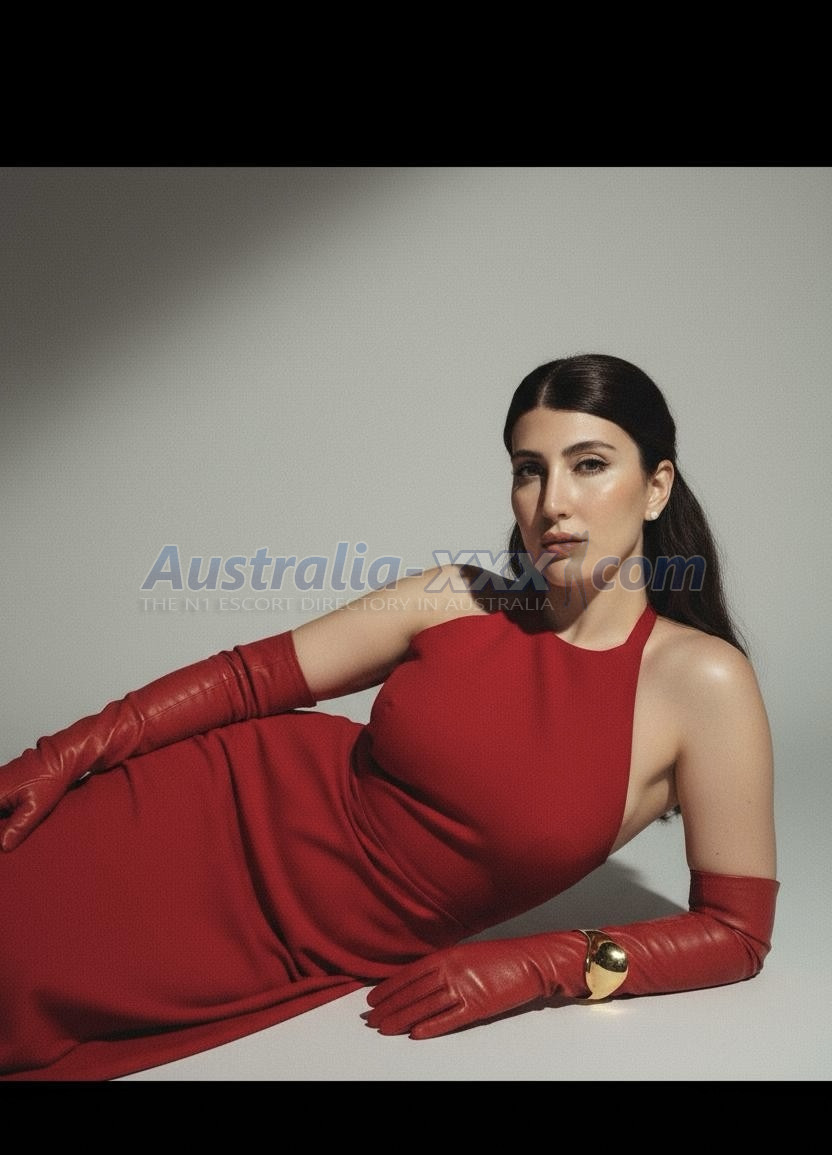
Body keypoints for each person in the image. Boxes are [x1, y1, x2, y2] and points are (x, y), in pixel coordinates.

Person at [0, 353, 778, 1081]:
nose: (553, 503)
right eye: (528, 470)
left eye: (589, 464)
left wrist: (540, 965)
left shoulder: (702, 682)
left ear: (656, 486)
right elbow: (249, 678)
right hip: (200, 802)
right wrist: (64, 753)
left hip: (281, 941)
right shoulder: (456, 596)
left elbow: (736, 933)